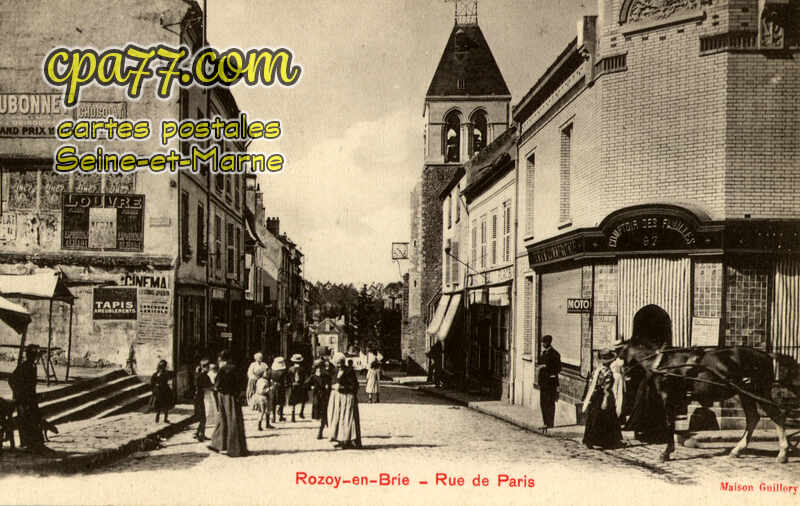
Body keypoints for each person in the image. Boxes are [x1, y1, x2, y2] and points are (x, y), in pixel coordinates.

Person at [582, 349, 624, 449]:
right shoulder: (608, 372)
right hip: (603, 396)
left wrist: (589, 398)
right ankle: (606, 441)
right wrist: (605, 400)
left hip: (595, 396)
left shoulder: (596, 370)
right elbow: (607, 388)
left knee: (593, 417)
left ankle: (590, 440)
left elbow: (591, 384)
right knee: (606, 418)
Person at [209, 350, 248, 457]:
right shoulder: (234, 369)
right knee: (232, 419)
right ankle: (232, 448)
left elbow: (217, 383)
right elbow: (241, 382)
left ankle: (222, 445)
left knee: (225, 419)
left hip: (225, 395)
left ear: (222, 359)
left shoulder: (224, 369)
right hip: (230, 396)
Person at [9, 345, 45, 451]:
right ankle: (28, 443)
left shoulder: (33, 366)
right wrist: (18, 393)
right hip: (24, 399)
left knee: (35, 418)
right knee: (26, 419)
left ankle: (36, 443)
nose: (35, 357)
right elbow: (11, 380)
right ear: (29, 355)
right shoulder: (24, 366)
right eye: (33, 355)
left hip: (31, 397)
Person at [327, 352, 362, 449]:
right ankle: (340, 439)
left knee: (347, 419)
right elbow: (331, 381)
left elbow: (355, 386)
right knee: (337, 417)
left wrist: (342, 387)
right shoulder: (334, 371)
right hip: (336, 398)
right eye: (337, 363)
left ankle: (348, 440)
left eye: (341, 362)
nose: (339, 365)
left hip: (347, 397)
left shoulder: (349, 371)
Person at [538, 335, 561, 431]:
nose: (542, 344)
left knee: (550, 402)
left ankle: (550, 423)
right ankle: (545, 422)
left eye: (544, 342)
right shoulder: (543, 353)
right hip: (543, 383)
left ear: (548, 342)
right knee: (543, 403)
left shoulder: (555, 354)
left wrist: (545, 367)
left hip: (550, 383)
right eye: (542, 342)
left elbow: (558, 369)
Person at [308, 358, 332, 439]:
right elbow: (306, 384)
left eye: (321, 367)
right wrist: (311, 387)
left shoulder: (327, 376)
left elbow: (331, 384)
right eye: (317, 367)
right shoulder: (313, 377)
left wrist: (328, 387)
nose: (319, 369)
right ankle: (323, 429)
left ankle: (320, 432)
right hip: (317, 397)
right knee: (321, 415)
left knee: (325, 413)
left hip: (325, 397)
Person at [194, 358, 213, 441]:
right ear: (204, 367)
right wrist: (213, 387)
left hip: (199, 397)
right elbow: (206, 387)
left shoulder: (199, 375)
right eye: (208, 367)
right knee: (203, 417)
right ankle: (200, 434)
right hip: (200, 397)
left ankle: (199, 432)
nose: (209, 369)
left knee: (203, 416)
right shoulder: (202, 376)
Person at [268, 356, 289, 422]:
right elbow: (286, 381)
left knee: (273, 402)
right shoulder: (283, 371)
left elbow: (268, 379)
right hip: (281, 387)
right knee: (281, 402)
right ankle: (280, 416)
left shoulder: (271, 371)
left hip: (273, 386)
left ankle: (273, 417)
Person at [288, 354, 306, 422]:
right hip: (301, 385)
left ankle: (293, 416)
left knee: (293, 401)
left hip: (293, 386)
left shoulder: (290, 369)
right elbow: (304, 378)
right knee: (303, 399)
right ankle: (301, 412)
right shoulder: (302, 369)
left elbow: (288, 378)